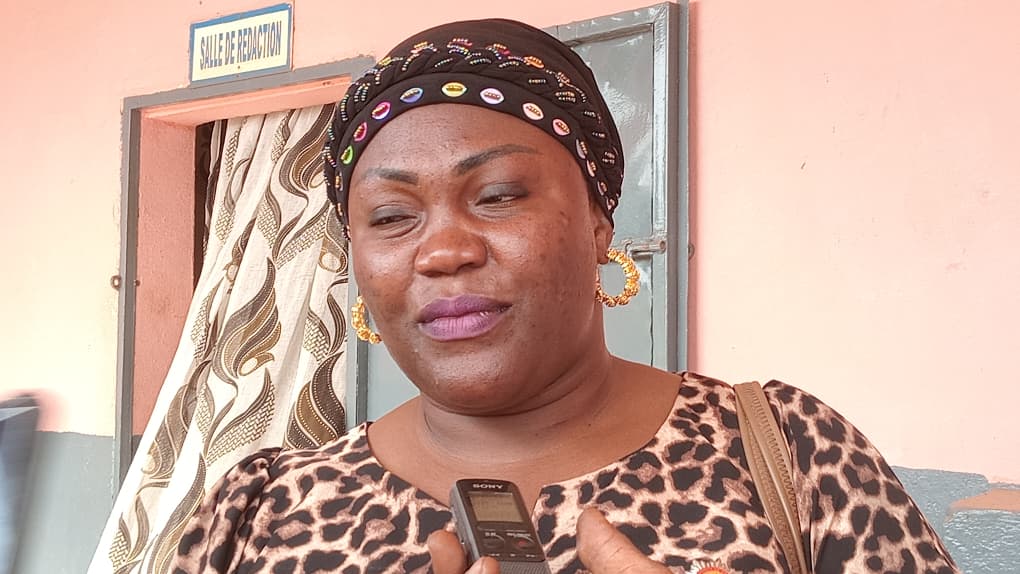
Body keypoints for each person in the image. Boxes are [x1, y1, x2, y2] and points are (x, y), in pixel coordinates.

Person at [172, 19, 959, 574]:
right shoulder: (262, 513)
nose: (443, 251)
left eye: (498, 196)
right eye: (390, 217)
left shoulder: (790, 454)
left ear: (598, 225)